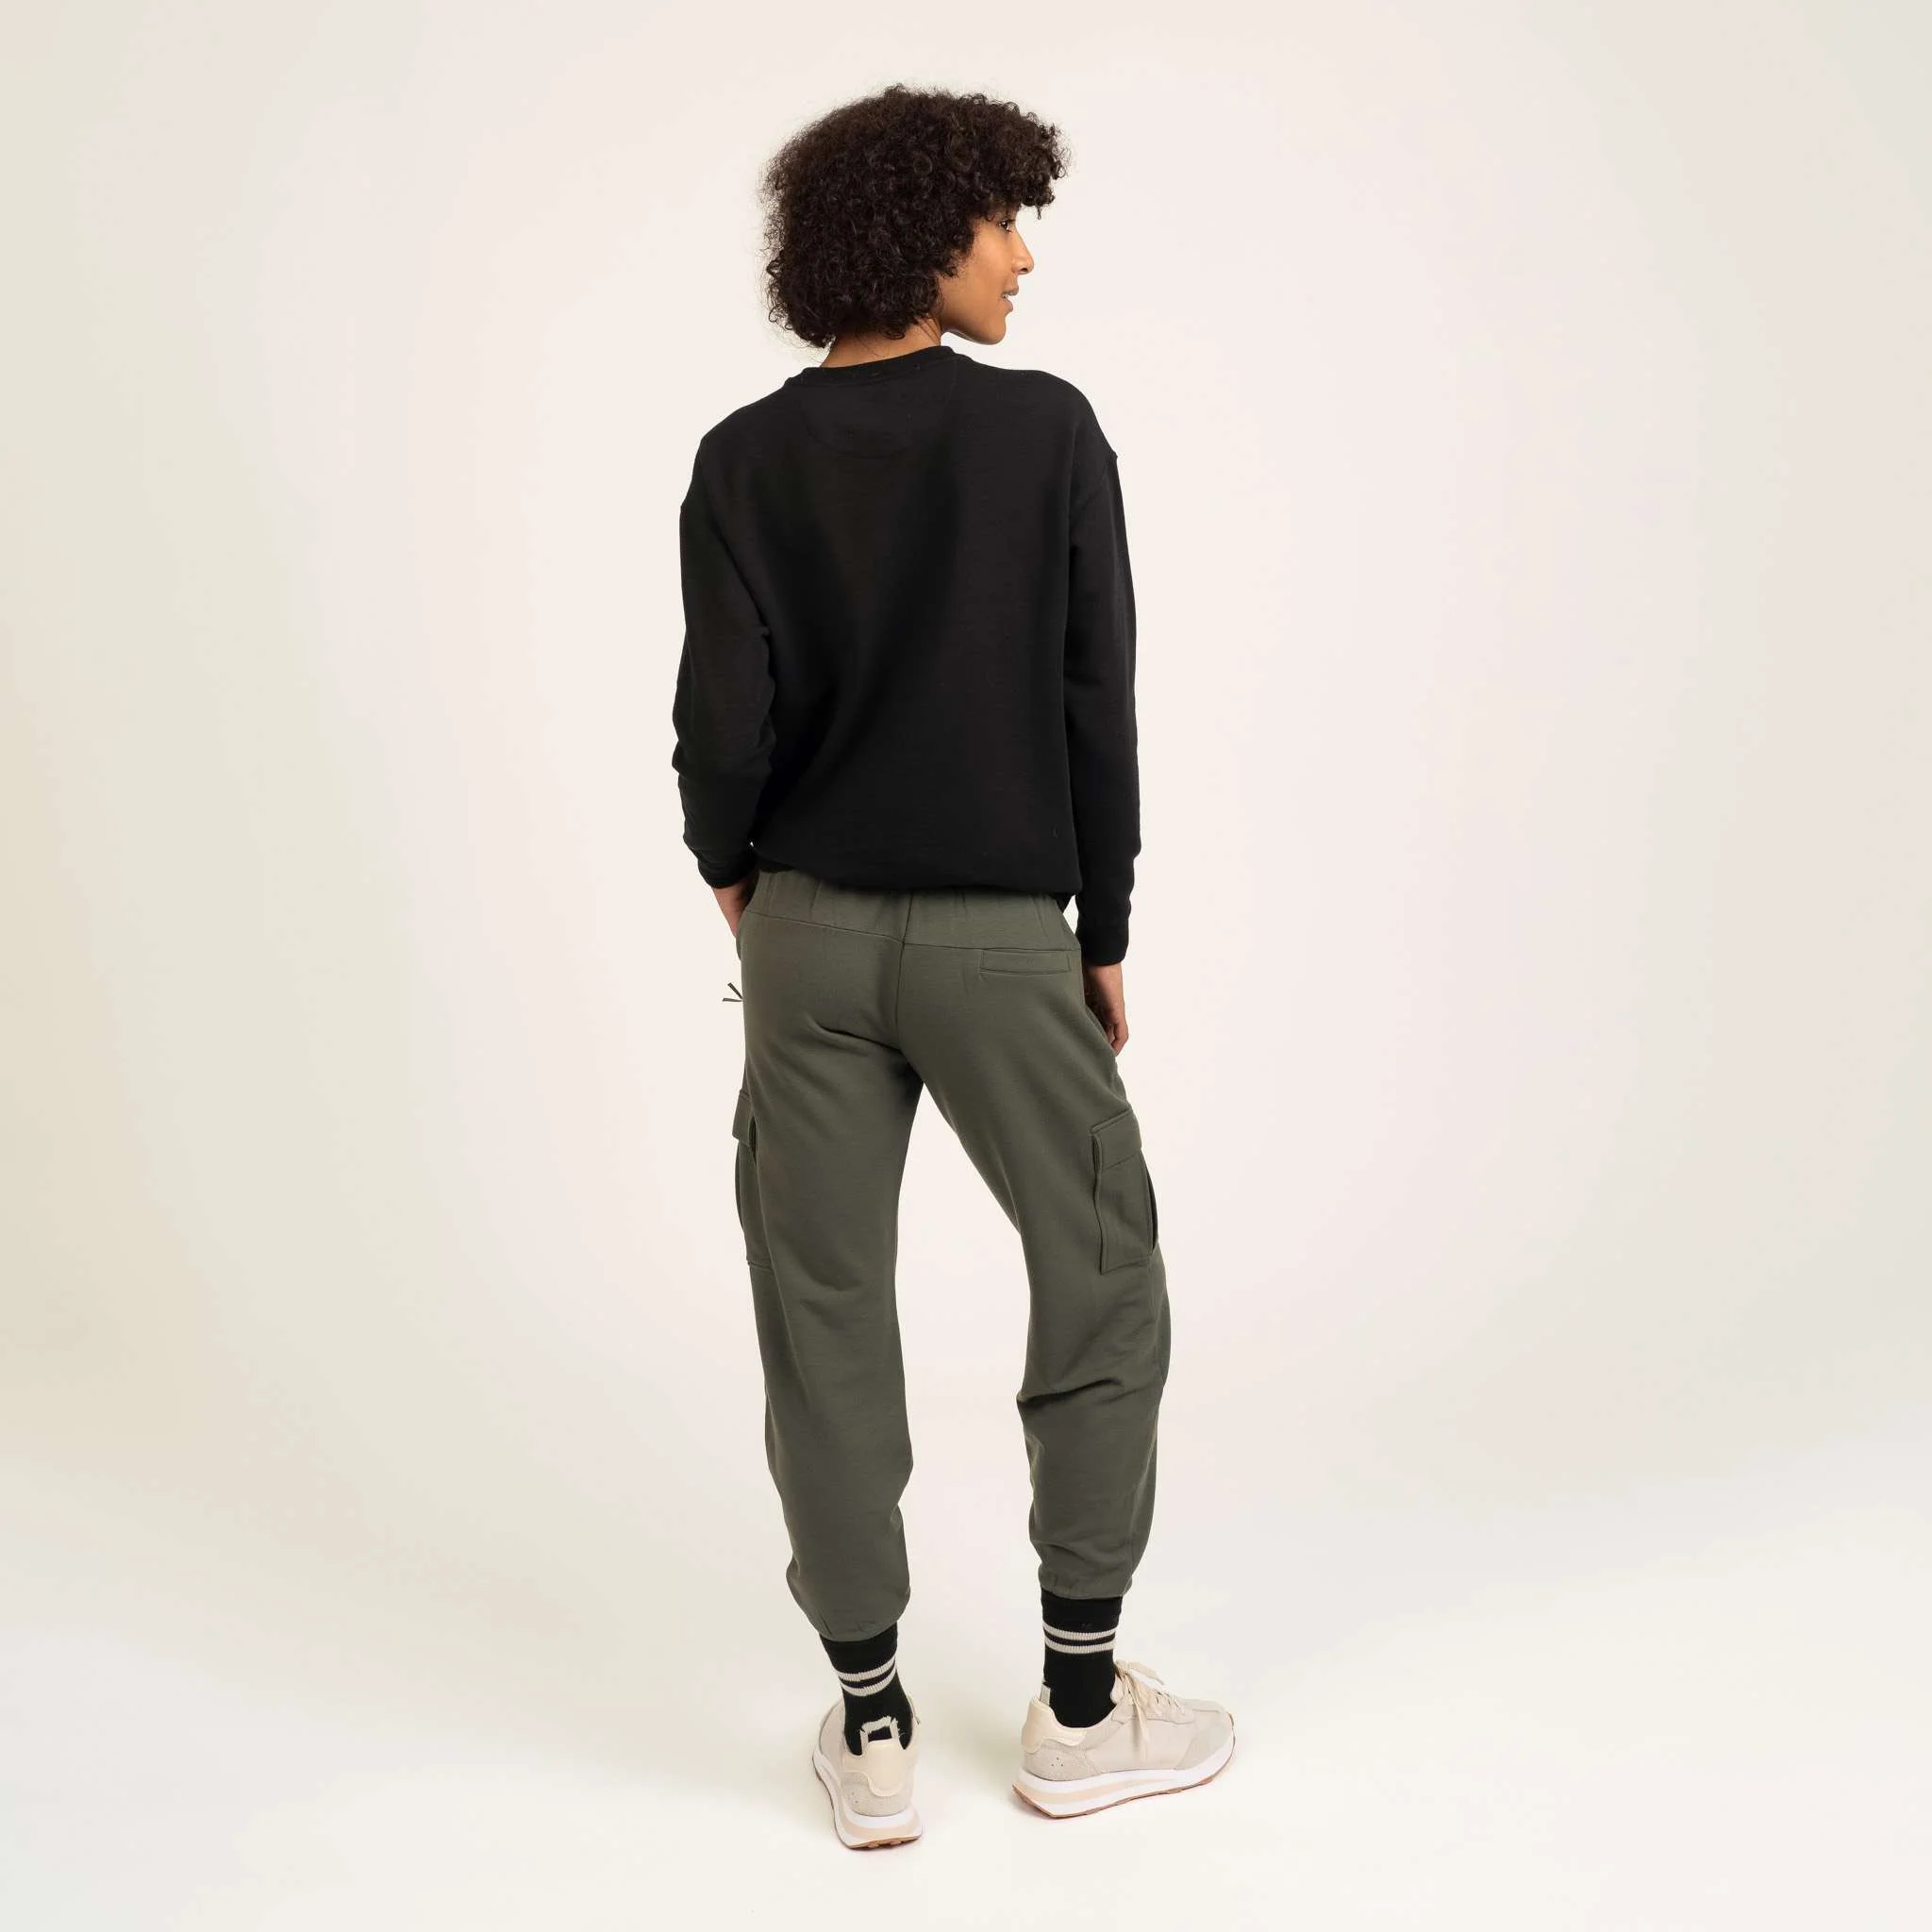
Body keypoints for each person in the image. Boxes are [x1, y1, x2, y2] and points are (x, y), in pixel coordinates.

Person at [670, 82, 1234, 1848]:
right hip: (1002, 940)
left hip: (807, 939)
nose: (1023, 256)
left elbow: (722, 721)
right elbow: (1094, 697)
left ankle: (872, 1727)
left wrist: (738, 878)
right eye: (1003, 221)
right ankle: (1081, 1703)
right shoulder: (1045, 432)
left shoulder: (743, 458)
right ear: (927, 235)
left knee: (822, 1310)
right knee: (1101, 1272)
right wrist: (1102, 927)